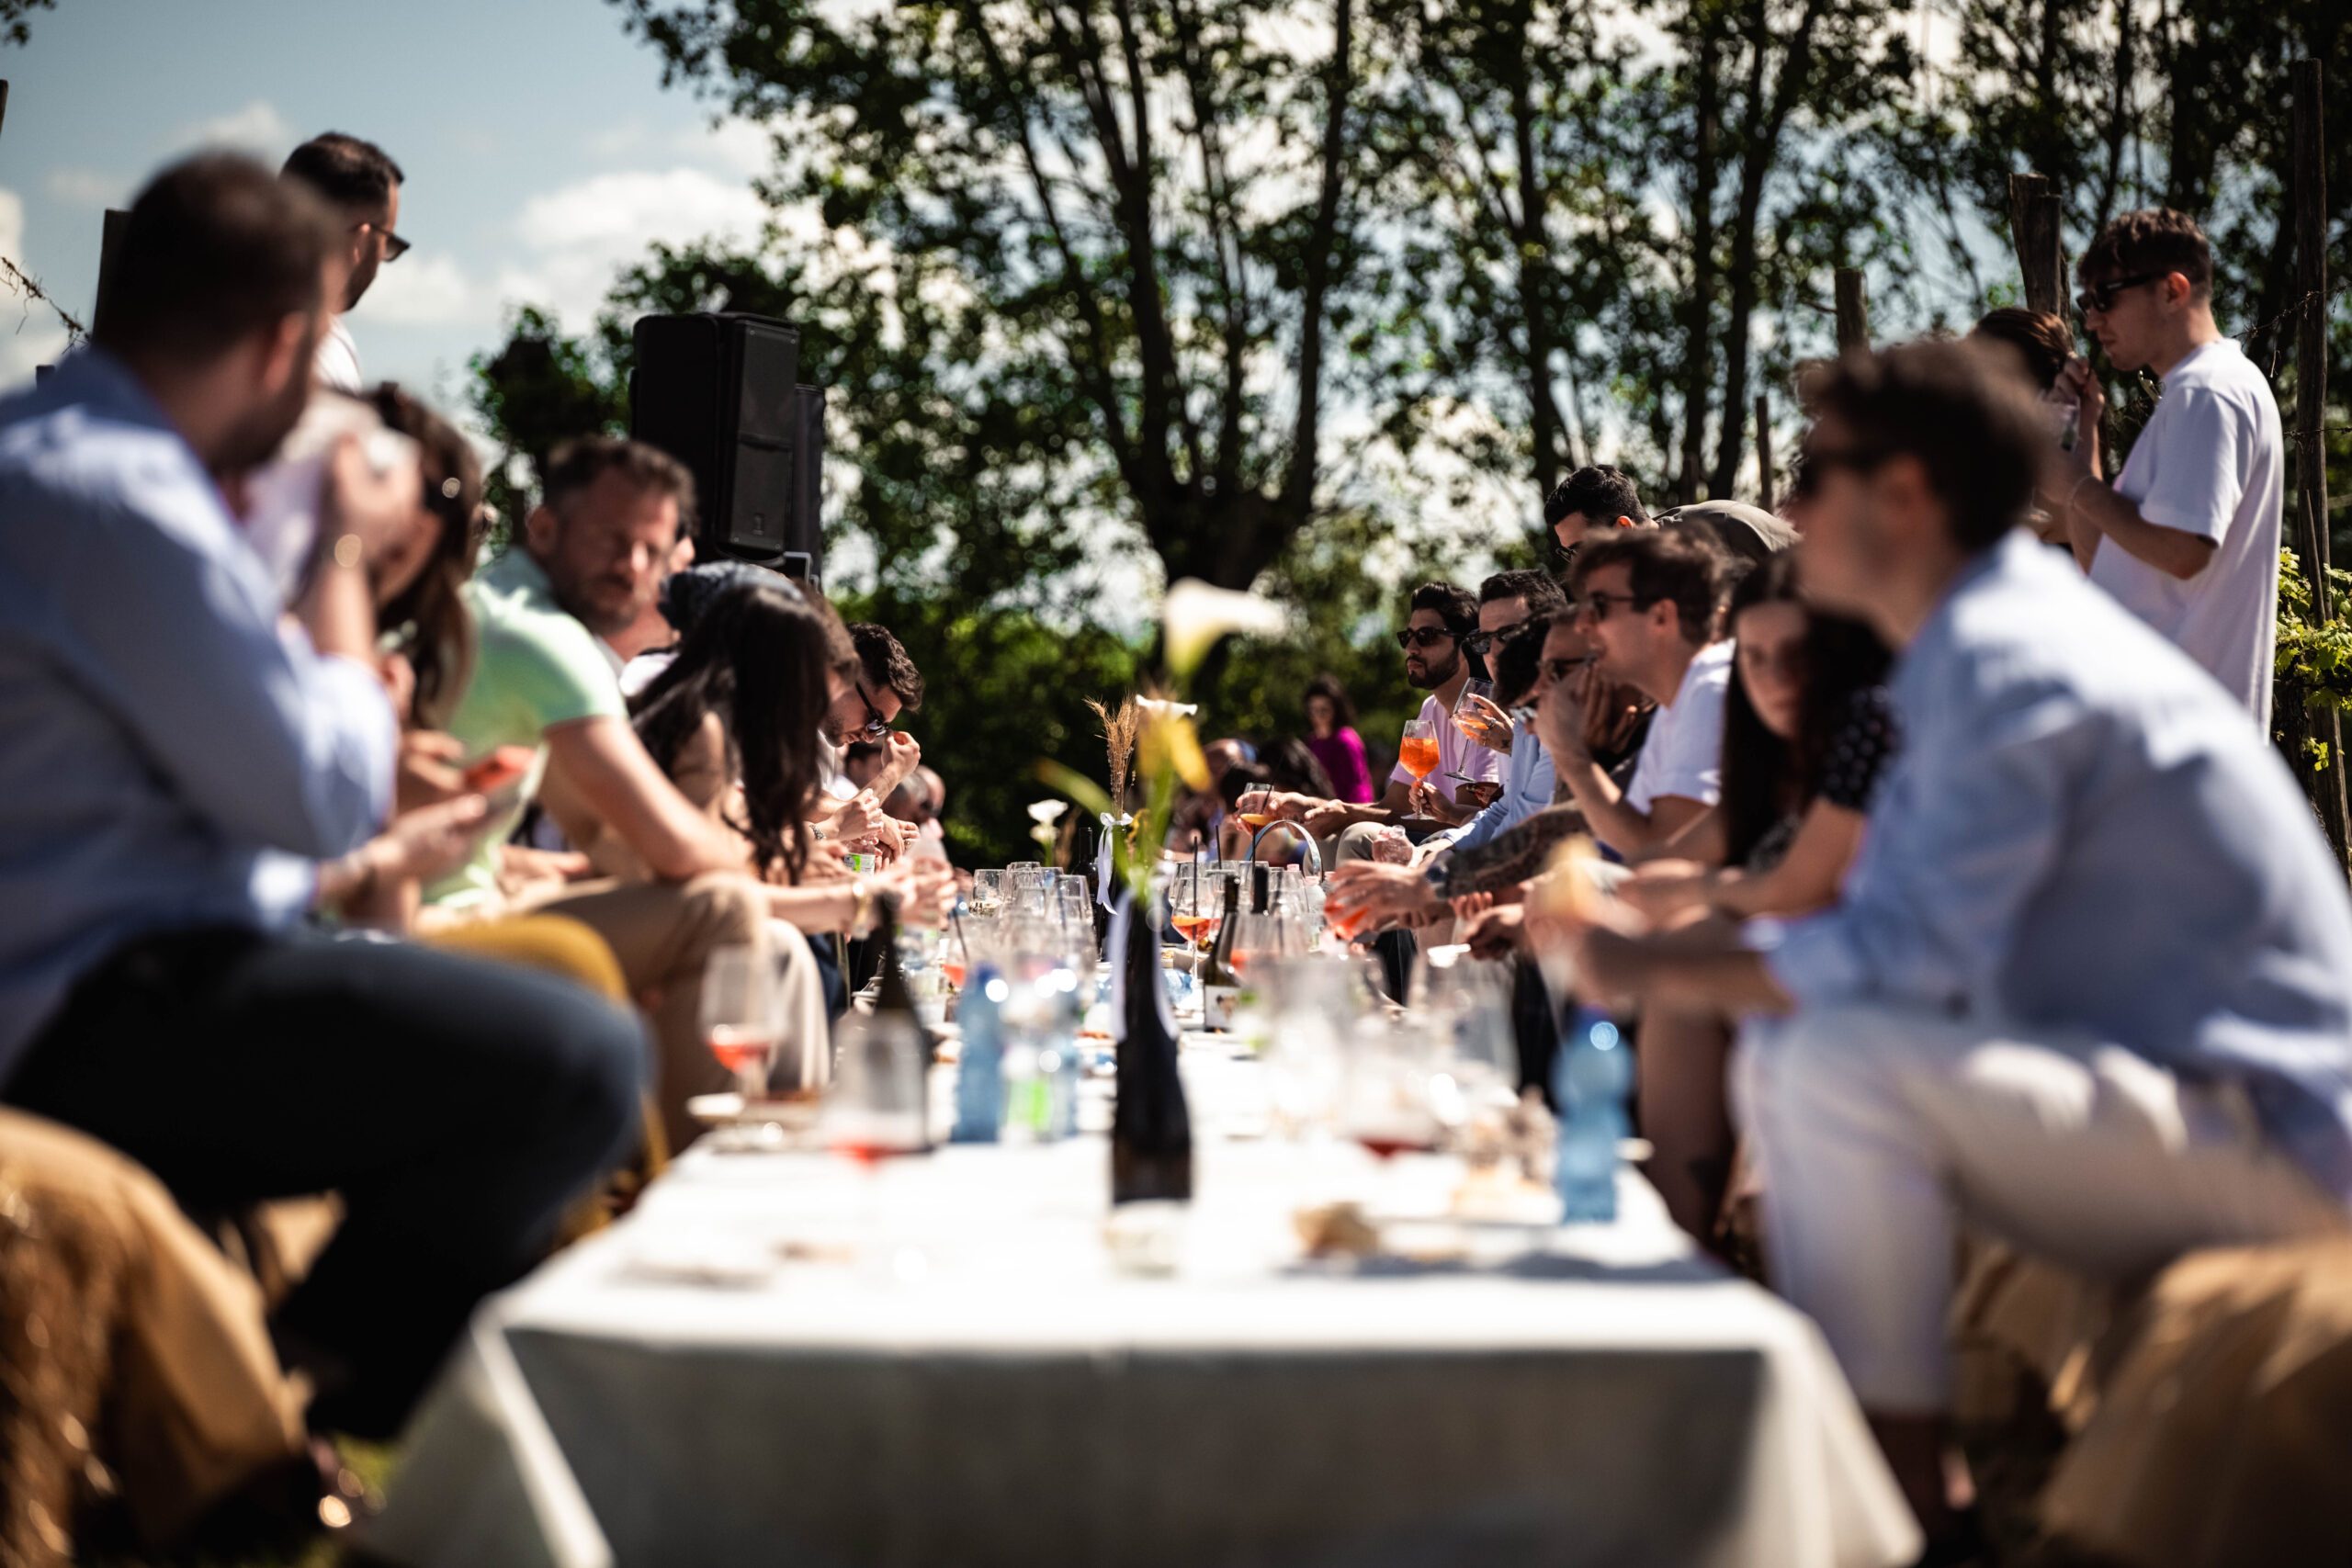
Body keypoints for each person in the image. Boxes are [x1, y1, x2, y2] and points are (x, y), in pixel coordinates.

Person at [1551, 340, 2352, 1544]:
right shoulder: (1972, 650)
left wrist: (1637, 965)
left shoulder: (2008, 660)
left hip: (2278, 1128)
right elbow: (1882, 932)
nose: (1788, 508)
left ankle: (1895, 1511)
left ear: (1907, 496)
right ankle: (1899, 1487)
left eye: (1813, 477)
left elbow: (1894, 959)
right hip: (2194, 1094)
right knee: (1812, 1050)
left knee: (1832, 1060)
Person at [0, 153, 641, 1444]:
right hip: (85, 1007)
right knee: (579, 1062)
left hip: (109, 968)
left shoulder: (51, 460)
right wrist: (343, 552)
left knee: (547, 1032)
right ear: (292, 339)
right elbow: (323, 792)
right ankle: (265, 1419)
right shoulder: (121, 500)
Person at [2052, 208, 2284, 726]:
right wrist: (2085, 436)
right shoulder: (2203, 390)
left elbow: (2182, 552)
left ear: (2173, 290)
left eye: (2105, 299)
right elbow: (2103, 565)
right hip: (2166, 738)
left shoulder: (2208, 393)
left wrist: (2079, 487)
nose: (2092, 319)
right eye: (2088, 303)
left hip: (2181, 741)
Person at [1547, 528, 1732, 857]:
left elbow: (1664, 858)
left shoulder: (1712, 691)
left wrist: (1571, 756)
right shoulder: (1680, 700)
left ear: (1661, 615)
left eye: (1599, 607)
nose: (1583, 625)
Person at [278, 134, 404, 393]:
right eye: (387, 241)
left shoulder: (193, 310)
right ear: (362, 239)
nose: (382, 259)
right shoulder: (319, 348)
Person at [1301, 674, 1374, 804]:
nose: (1317, 716)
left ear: (1336, 709)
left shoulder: (1346, 740)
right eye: (1312, 710)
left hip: (1347, 812)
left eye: (1323, 710)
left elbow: (1356, 788)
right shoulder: (1312, 741)